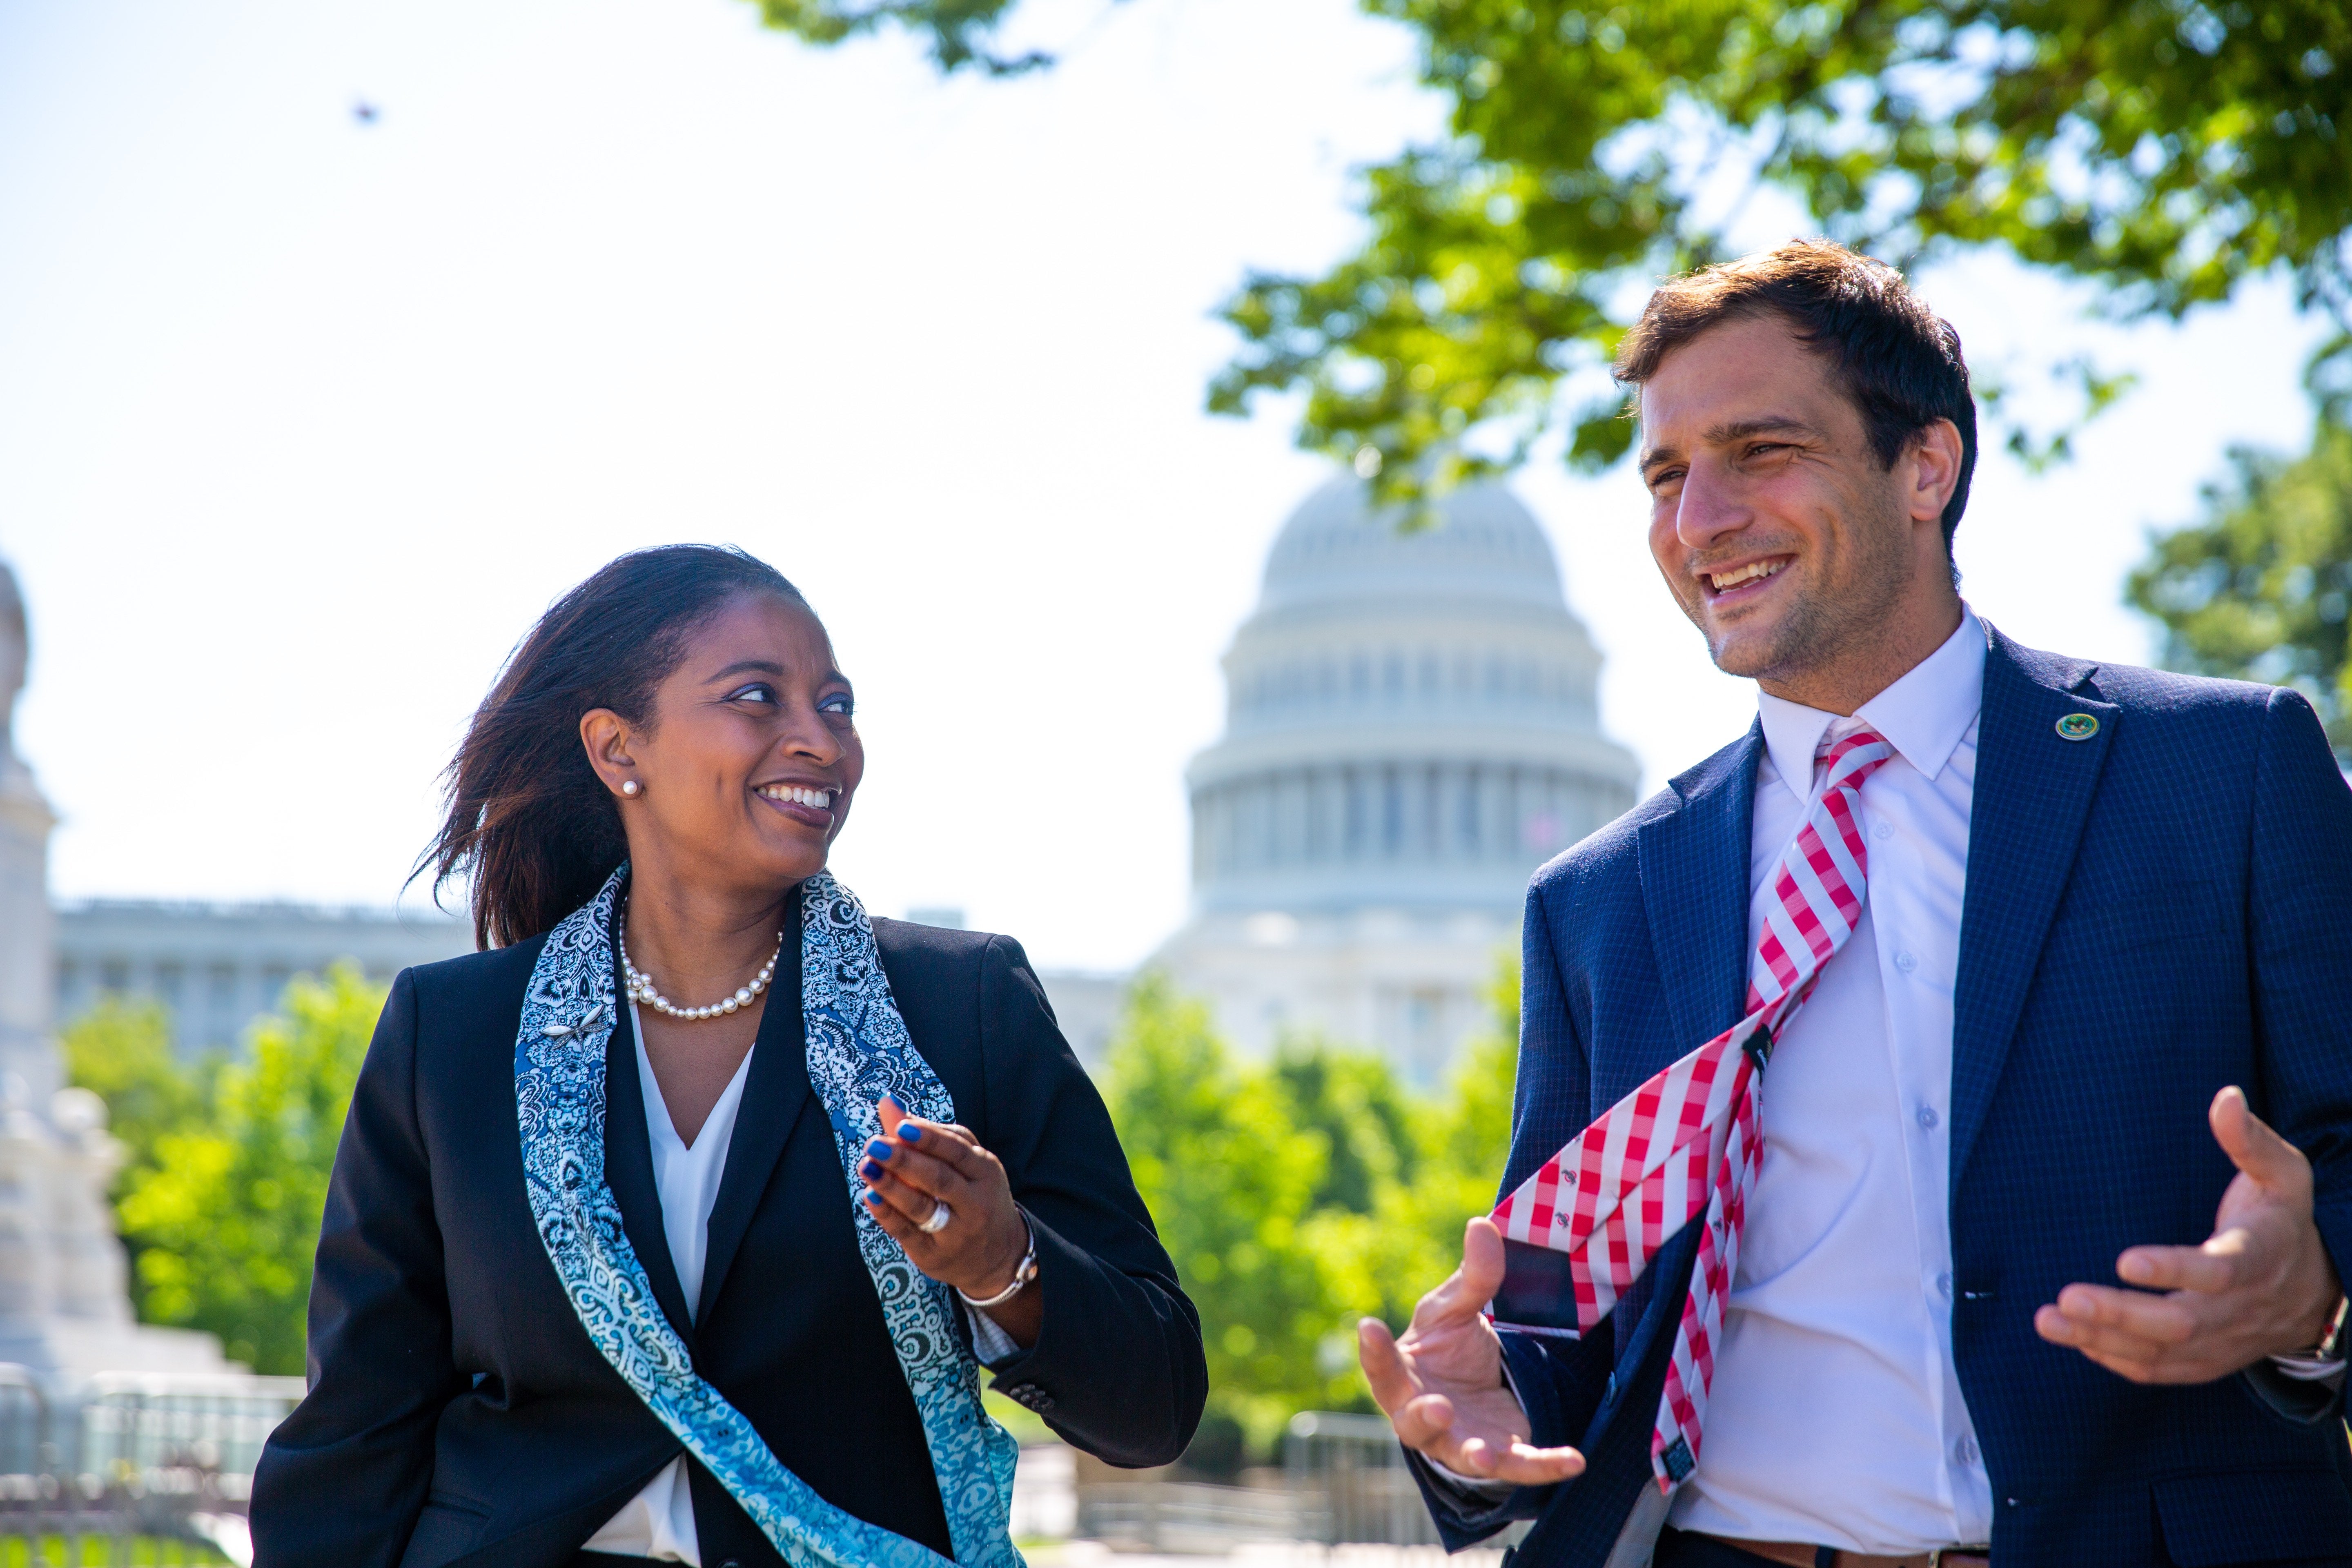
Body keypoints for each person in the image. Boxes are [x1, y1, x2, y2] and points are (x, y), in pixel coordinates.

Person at [1360, 241, 2352, 1567]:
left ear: (1926, 468)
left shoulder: (2222, 773)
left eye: (1760, 451)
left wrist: (2316, 1290)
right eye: (1665, 475)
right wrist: (1499, 1395)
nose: (1697, 520)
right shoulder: (1599, 902)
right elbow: (1556, 1292)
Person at [251, 545, 1206, 1568]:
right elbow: (357, 1432)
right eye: (758, 698)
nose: (821, 742)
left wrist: (1002, 1265)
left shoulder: (961, 1006)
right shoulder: (454, 1034)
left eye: (837, 706)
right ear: (618, 748)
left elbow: (1155, 1403)